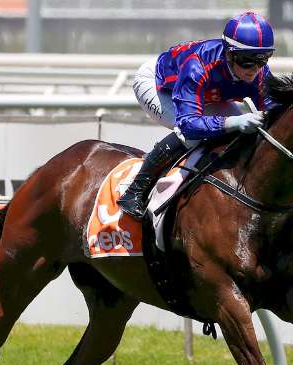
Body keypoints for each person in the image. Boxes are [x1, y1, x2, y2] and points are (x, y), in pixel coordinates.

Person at [118, 11, 277, 220]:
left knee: (237, 134)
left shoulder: (259, 73)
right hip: (158, 86)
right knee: (193, 136)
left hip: (207, 93)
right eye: (247, 61)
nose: (255, 69)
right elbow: (189, 124)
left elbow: (275, 112)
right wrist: (233, 121)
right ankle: (135, 191)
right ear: (229, 54)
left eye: (263, 59)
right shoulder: (198, 65)